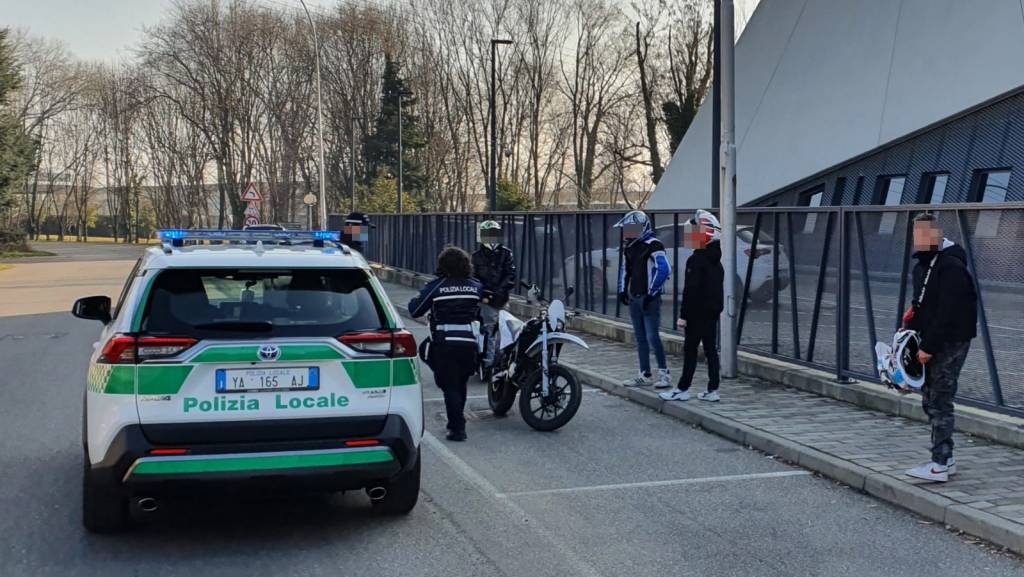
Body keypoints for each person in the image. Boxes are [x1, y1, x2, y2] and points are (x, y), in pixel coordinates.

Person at [904, 213, 977, 482]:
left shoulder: (951, 267)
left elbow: (950, 312)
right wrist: (910, 332)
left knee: (939, 399)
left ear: (937, 234)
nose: (920, 240)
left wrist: (929, 346)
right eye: (916, 235)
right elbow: (922, 305)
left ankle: (940, 463)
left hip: (951, 340)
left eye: (925, 234)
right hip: (934, 339)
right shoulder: (923, 265)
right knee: (931, 397)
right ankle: (946, 457)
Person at [408, 247, 482, 442]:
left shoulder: (437, 286)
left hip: (445, 342)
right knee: (461, 382)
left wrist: (417, 296)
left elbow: (414, 310)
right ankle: (456, 422)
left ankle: (457, 429)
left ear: (442, 265)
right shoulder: (475, 286)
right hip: (469, 341)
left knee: (449, 385)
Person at [660, 209, 724, 402]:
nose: (690, 236)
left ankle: (682, 388)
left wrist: (683, 315)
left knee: (690, 350)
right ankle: (713, 390)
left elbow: (691, 290)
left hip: (696, 314)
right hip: (712, 313)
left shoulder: (696, 260)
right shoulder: (717, 261)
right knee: (711, 350)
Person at [615, 210, 672, 388]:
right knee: (640, 338)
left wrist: (652, 293)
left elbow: (664, 269)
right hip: (635, 297)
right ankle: (644, 374)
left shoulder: (654, 245)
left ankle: (664, 374)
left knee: (652, 336)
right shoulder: (630, 247)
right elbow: (626, 269)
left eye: (631, 228)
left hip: (649, 299)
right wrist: (622, 290)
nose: (627, 233)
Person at [471, 220, 517, 375]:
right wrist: (483, 294)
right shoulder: (476, 256)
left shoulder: (506, 253)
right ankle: (489, 363)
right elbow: (474, 278)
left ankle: (503, 362)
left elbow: (510, 275)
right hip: (485, 299)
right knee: (489, 329)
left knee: (506, 330)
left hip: (501, 298)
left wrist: (498, 292)